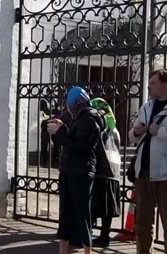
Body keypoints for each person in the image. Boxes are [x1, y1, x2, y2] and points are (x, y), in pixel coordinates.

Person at [47, 87, 103, 254]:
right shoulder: (79, 117)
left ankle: (87, 251)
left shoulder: (89, 117)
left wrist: (61, 132)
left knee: (81, 214)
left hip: (80, 172)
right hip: (70, 170)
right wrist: (62, 128)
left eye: (68, 103)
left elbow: (81, 146)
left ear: (76, 101)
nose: (66, 107)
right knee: (66, 214)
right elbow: (72, 140)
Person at [129, 69, 167, 253]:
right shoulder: (146, 107)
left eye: (153, 83)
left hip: (164, 176)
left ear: (164, 83)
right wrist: (136, 131)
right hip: (143, 174)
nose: (149, 86)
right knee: (143, 225)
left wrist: (159, 131)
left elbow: (159, 133)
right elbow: (132, 136)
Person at [90, 98, 121, 247]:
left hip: (102, 169)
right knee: (107, 208)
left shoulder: (100, 123)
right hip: (114, 170)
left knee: (97, 205)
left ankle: (89, 234)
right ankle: (104, 236)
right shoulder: (113, 126)